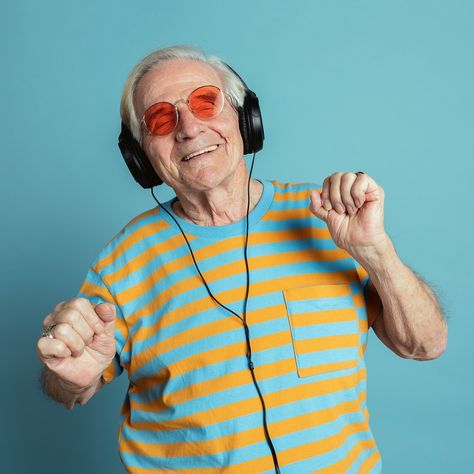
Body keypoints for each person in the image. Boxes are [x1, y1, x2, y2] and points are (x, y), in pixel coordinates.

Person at [37, 45, 447, 473]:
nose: (190, 129)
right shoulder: (121, 264)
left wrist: (375, 252)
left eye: (205, 102)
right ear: (140, 157)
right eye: (160, 118)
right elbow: (69, 387)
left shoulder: (330, 218)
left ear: (245, 118)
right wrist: (68, 376)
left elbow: (424, 344)